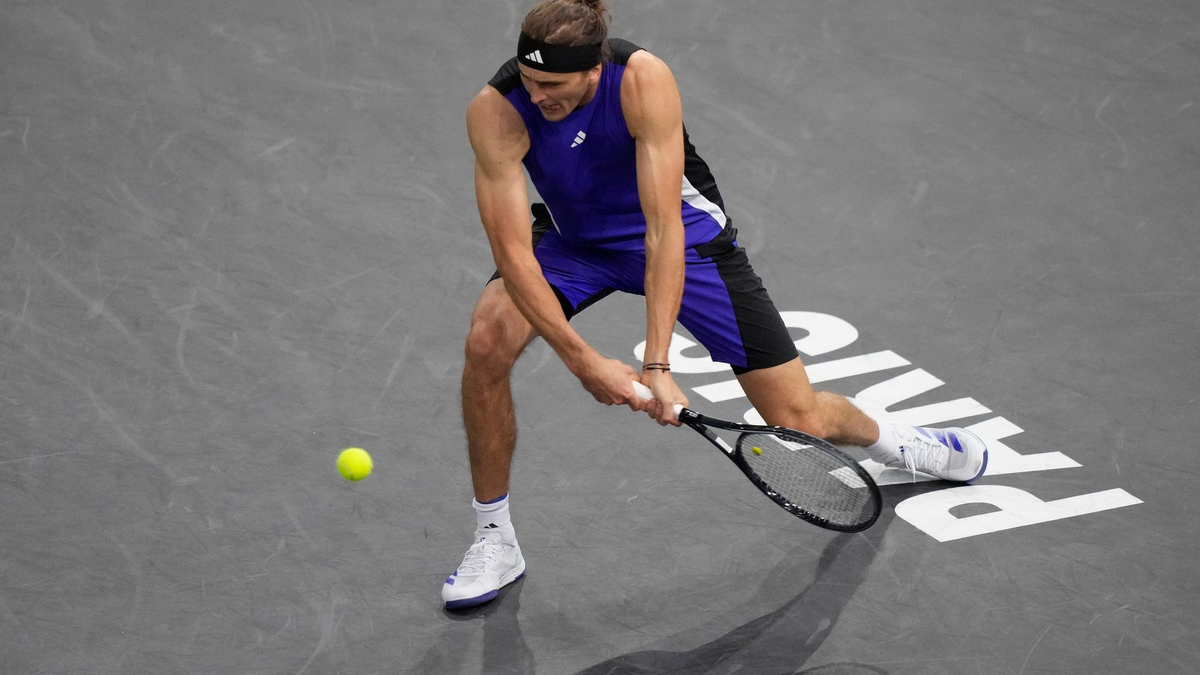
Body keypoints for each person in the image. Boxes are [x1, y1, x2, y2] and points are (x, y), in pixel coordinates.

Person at [442, 0, 988, 610]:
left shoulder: (642, 80)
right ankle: (495, 537)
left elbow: (663, 230)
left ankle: (893, 441)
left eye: (553, 84)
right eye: (529, 79)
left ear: (594, 70)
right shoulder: (496, 111)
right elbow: (513, 253)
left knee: (799, 421)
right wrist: (582, 360)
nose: (537, 95)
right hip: (573, 245)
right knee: (487, 340)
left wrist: (656, 364)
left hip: (686, 242)